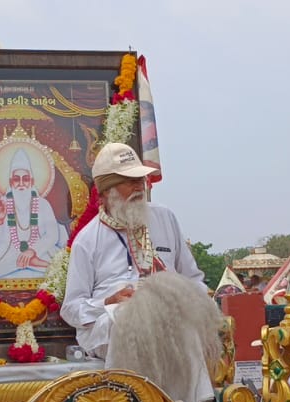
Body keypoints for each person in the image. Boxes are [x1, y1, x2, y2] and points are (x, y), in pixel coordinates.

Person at [61, 142, 203, 361]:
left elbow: (193, 279)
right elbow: (71, 309)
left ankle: (196, 397)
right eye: (131, 181)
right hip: (111, 327)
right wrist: (107, 302)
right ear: (108, 190)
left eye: (141, 179)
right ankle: (136, 395)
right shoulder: (87, 240)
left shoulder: (165, 218)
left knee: (184, 323)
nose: (140, 187)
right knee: (126, 317)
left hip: (168, 318)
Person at [0, 146, 69, 279]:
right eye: (16, 179)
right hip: (7, 251)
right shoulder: (0, 204)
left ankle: (32, 262)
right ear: (10, 182)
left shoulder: (42, 204)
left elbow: (52, 235)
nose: (21, 183)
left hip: (40, 250)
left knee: (65, 267)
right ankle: (33, 264)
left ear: (31, 181)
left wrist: (32, 251)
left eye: (25, 179)